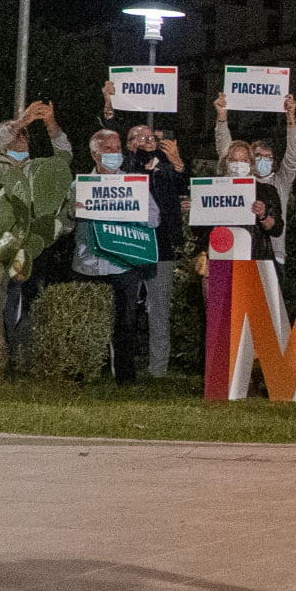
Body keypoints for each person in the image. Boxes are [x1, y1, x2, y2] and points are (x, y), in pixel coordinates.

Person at [0, 102, 73, 373]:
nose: (20, 137)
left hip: (28, 250)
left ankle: (20, 359)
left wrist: (51, 126)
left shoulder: (36, 169)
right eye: (13, 133)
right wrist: (20, 122)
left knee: (23, 302)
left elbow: (63, 160)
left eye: (26, 134)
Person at [99, 85, 189, 379]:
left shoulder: (167, 169)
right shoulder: (124, 167)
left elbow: (185, 188)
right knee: (124, 313)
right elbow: (107, 143)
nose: (145, 140)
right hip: (127, 248)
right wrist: (109, 107)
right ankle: (123, 370)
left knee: (159, 312)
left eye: (150, 137)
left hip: (161, 250)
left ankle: (158, 372)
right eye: (137, 137)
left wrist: (177, 161)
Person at [72, 128, 153, 385]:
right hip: (87, 265)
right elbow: (61, 226)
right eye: (108, 149)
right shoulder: (79, 185)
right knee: (86, 324)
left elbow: (155, 218)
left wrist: (133, 211)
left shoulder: (134, 185)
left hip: (123, 265)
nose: (114, 154)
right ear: (95, 153)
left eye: (117, 149)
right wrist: (70, 214)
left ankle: (125, 380)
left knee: (125, 325)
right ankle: (85, 375)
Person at [214, 92, 296, 262]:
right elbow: (224, 148)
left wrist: (291, 118)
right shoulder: (233, 181)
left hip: (272, 253)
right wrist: (222, 115)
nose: (263, 160)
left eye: (268, 157)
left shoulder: (277, 184)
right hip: (232, 251)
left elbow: (293, 154)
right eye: (258, 155)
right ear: (251, 160)